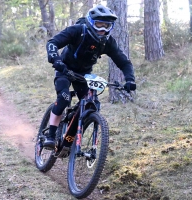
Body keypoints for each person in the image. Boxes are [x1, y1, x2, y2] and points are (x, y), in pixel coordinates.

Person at [44, 5, 136, 149]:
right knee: (64, 98)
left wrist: (130, 79)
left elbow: (124, 62)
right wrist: (56, 60)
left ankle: (72, 137)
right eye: (100, 24)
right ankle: (50, 136)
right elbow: (52, 43)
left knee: (91, 105)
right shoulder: (77, 30)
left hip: (84, 75)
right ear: (91, 22)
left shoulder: (108, 42)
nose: (103, 29)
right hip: (64, 69)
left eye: (107, 26)